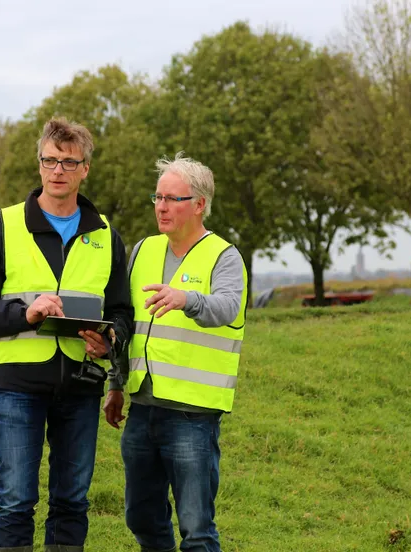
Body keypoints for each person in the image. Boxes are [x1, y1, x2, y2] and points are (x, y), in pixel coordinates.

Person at [0, 117, 133, 552]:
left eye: (69, 163)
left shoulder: (106, 235)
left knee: (72, 501)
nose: (58, 170)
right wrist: (24, 314)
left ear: (85, 168)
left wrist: (108, 340)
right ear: (39, 165)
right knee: (16, 501)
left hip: (80, 386)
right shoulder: (3, 226)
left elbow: (123, 313)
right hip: (17, 386)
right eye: (50, 160)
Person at [105, 152, 247, 552]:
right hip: (142, 408)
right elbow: (128, 327)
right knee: (140, 517)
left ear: (199, 204)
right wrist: (115, 385)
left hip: (192, 415)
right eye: (157, 197)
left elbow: (227, 307)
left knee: (197, 529)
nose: (161, 206)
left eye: (172, 199)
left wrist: (187, 298)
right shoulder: (142, 251)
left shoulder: (224, 256)